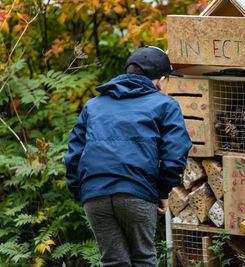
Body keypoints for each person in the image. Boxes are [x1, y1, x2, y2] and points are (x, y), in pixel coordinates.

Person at [64, 46, 192, 267]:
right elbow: (175, 155)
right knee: (143, 258)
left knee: (113, 261)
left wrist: (83, 191)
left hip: (94, 194)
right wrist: (161, 191)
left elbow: (73, 154)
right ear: (161, 80)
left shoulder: (93, 105)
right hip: (137, 191)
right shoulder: (165, 105)